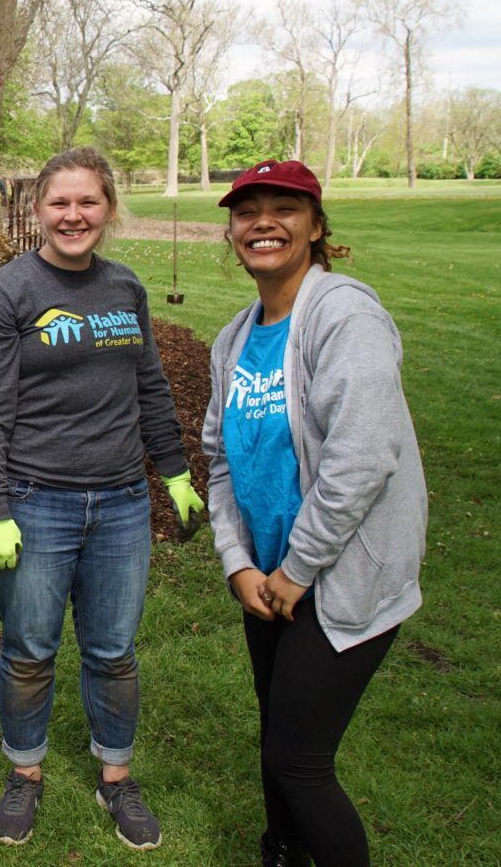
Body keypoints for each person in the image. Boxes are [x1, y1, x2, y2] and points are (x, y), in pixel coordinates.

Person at [0, 146, 204, 851]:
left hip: (123, 503)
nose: (74, 215)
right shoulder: (5, 294)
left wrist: (174, 471)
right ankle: (25, 772)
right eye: (59, 203)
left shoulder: (125, 288)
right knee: (30, 647)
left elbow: (151, 386)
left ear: (108, 209)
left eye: (88, 202)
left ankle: (116, 776)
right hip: (38, 503)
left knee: (114, 650)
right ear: (36, 210)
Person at [204, 160, 425, 867]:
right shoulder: (234, 339)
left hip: (335, 575)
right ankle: (283, 851)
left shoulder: (344, 315)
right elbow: (219, 460)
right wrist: (239, 562)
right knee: (279, 736)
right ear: (232, 233)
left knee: (300, 759)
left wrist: (296, 571)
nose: (263, 221)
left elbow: (362, 458)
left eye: (284, 208)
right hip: (269, 576)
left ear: (317, 227)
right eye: (247, 211)